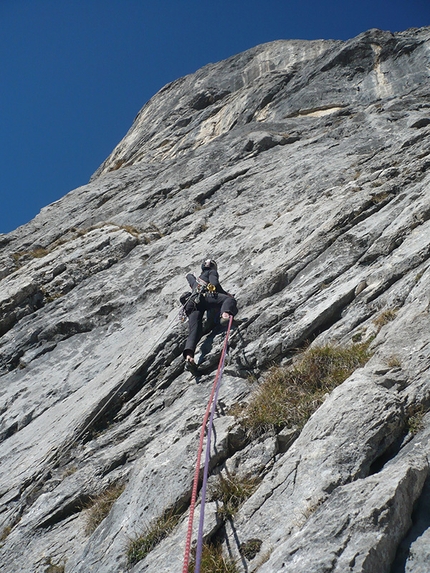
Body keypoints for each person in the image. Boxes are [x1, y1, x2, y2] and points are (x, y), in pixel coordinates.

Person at [181, 259, 237, 371]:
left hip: (191, 304)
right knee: (229, 300)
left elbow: (189, 278)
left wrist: (189, 275)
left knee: (194, 331)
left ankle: (189, 357)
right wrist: (226, 294)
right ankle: (225, 315)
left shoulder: (196, 281)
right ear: (213, 267)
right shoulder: (211, 272)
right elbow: (214, 284)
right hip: (204, 297)